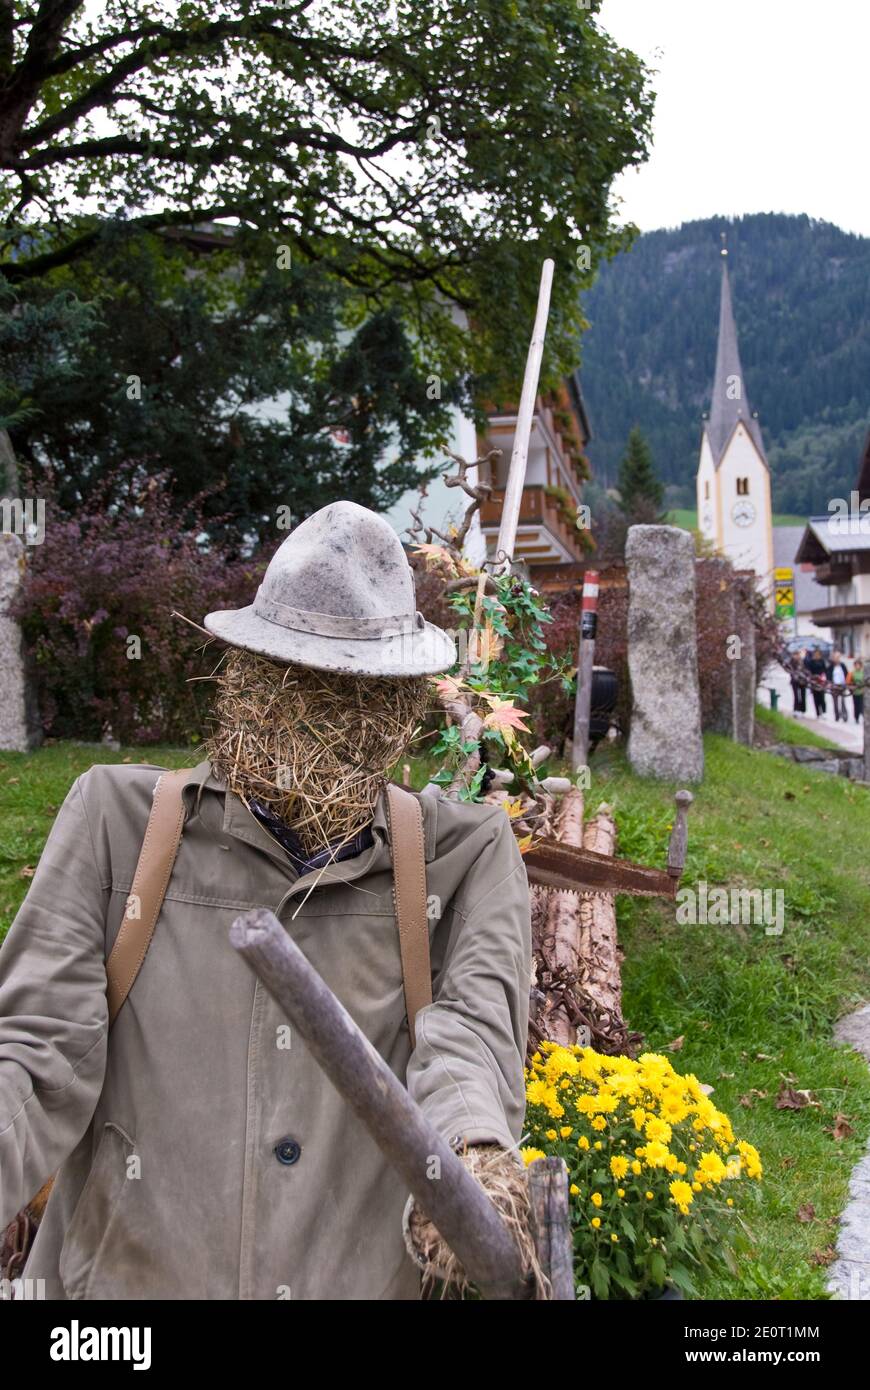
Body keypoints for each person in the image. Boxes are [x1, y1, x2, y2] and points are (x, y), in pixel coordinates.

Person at [0, 501, 533, 1301]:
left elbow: (467, 1044)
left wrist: (474, 1163)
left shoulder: (464, 859)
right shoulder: (120, 828)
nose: (319, 715)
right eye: (291, 676)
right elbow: (37, 1052)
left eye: (356, 691)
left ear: (401, 707)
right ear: (242, 673)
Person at [804, 647, 828, 717]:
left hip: (821, 681)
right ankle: (818, 713)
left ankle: (823, 711)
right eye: (815, 654)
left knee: (822, 698)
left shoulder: (822, 661)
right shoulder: (811, 662)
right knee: (815, 698)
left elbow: (825, 670)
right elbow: (808, 671)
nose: (817, 656)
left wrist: (824, 677)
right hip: (814, 681)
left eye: (818, 654)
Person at [829, 650, 849, 722]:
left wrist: (847, 683)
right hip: (834, 685)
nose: (837, 659)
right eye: (836, 657)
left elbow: (846, 674)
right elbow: (828, 675)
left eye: (838, 657)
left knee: (843, 701)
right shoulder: (831, 666)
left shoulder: (842, 665)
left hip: (842, 685)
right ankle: (837, 715)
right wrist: (830, 683)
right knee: (835, 702)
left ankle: (844, 715)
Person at [789, 648, 808, 714]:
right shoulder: (792, 662)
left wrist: (806, 675)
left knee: (803, 695)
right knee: (796, 696)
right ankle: (796, 709)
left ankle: (802, 710)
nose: (797, 656)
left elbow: (806, 670)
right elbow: (790, 670)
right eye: (795, 655)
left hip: (802, 681)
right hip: (795, 681)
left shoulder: (803, 661)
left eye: (798, 654)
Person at [848, 657, 865, 723]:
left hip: (861, 691)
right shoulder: (852, 673)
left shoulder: (862, 673)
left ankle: (863, 716)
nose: (857, 666)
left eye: (859, 665)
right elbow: (849, 682)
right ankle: (856, 717)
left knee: (862, 705)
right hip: (855, 691)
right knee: (856, 705)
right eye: (856, 665)